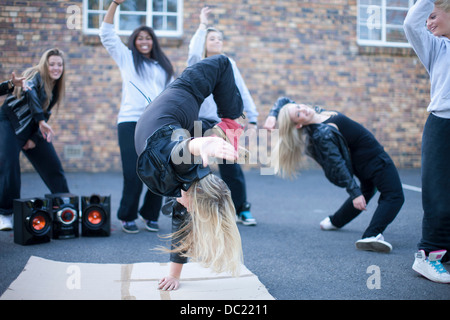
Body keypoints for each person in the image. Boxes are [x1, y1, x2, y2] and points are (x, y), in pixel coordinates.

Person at [135, 54, 245, 291]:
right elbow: (180, 151)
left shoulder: (185, 188)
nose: (189, 211)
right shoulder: (184, 166)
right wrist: (204, 142)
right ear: (193, 197)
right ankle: (231, 122)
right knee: (223, 63)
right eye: (194, 209)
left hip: (178, 124)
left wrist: (174, 275)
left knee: (201, 131)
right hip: (186, 95)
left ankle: (223, 127)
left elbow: (180, 226)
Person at [264, 97, 404, 253]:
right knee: (394, 196)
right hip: (375, 160)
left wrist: (272, 115)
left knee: (368, 190)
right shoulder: (321, 133)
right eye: (298, 114)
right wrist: (354, 192)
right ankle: (371, 235)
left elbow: (283, 100)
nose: (303, 109)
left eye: (299, 106)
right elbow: (337, 164)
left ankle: (334, 221)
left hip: (364, 160)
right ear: (299, 124)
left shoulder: (316, 114)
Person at [100, 0, 174, 233]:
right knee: (133, 172)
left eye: (148, 38)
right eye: (140, 38)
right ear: (134, 41)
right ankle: (127, 215)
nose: (144, 41)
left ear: (153, 41)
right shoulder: (127, 58)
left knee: (160, 171)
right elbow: (106, 34)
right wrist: (114, 4)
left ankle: (150, 214)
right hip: (130, 122)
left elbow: (171, 97)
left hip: (156, 126)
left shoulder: (163, 67)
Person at [187, 7, 258, 225]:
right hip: (199, 122)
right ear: (204, 42)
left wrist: (252, 118)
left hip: (222, 123)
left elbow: (241, 90)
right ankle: (195, 210)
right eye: (212, 38)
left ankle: (241, 209)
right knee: (197, 166)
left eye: (220, 38)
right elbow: (193, 51)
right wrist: (202, 25)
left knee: (231, 166)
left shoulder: (229, 64)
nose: (217, 41)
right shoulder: (197, 62)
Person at [404, 0, 450, 283]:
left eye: (434, 16)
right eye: (428, 16)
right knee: (437, 195)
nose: (428, 22)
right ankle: (428, 256)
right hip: (442, 124)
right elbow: (411, 23)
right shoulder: (436, 48)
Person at [0, 48, 70, 231]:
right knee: (9, 165)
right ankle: (6, 213)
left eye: (59, 64)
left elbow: (45, 113)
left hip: (32, 129)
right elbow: (31, 95)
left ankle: (65, 206)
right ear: (45, 65)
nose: (56, 68)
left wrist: (34, 137)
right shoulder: (34, 75)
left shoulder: (55, 88)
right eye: (52, 64)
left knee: (53, 165)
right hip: (10, 123)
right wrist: (40, 121)